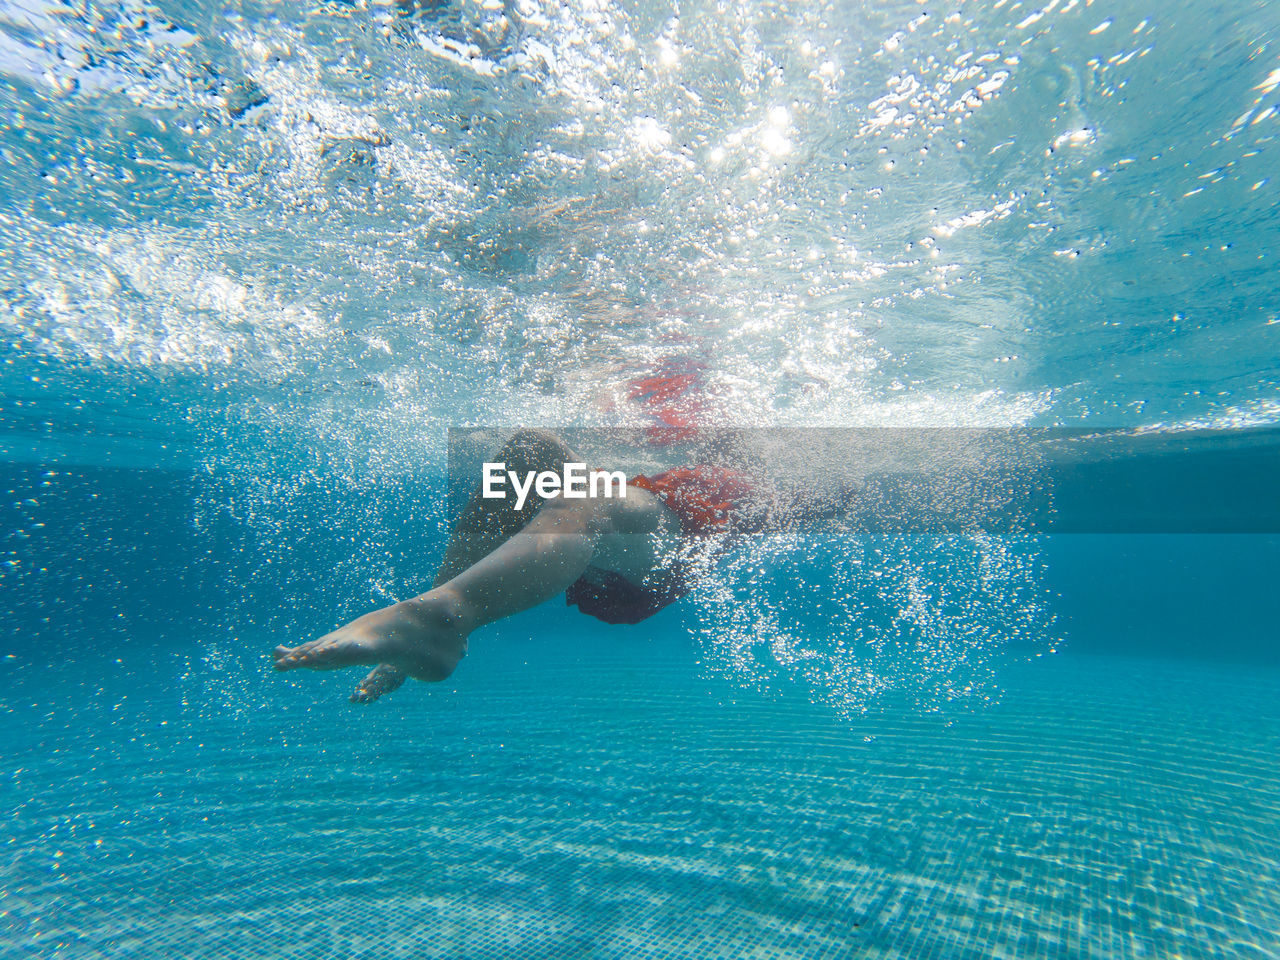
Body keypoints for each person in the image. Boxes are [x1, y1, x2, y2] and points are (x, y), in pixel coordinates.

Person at [273, 429, 846, 703]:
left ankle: (442, 618)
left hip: (657, 558)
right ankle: (422, 627)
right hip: (615, 539)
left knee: (589, 488)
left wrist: (829, 500)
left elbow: (815, 505)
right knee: (528, 452)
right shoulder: (703, 461)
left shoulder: (757, 490)